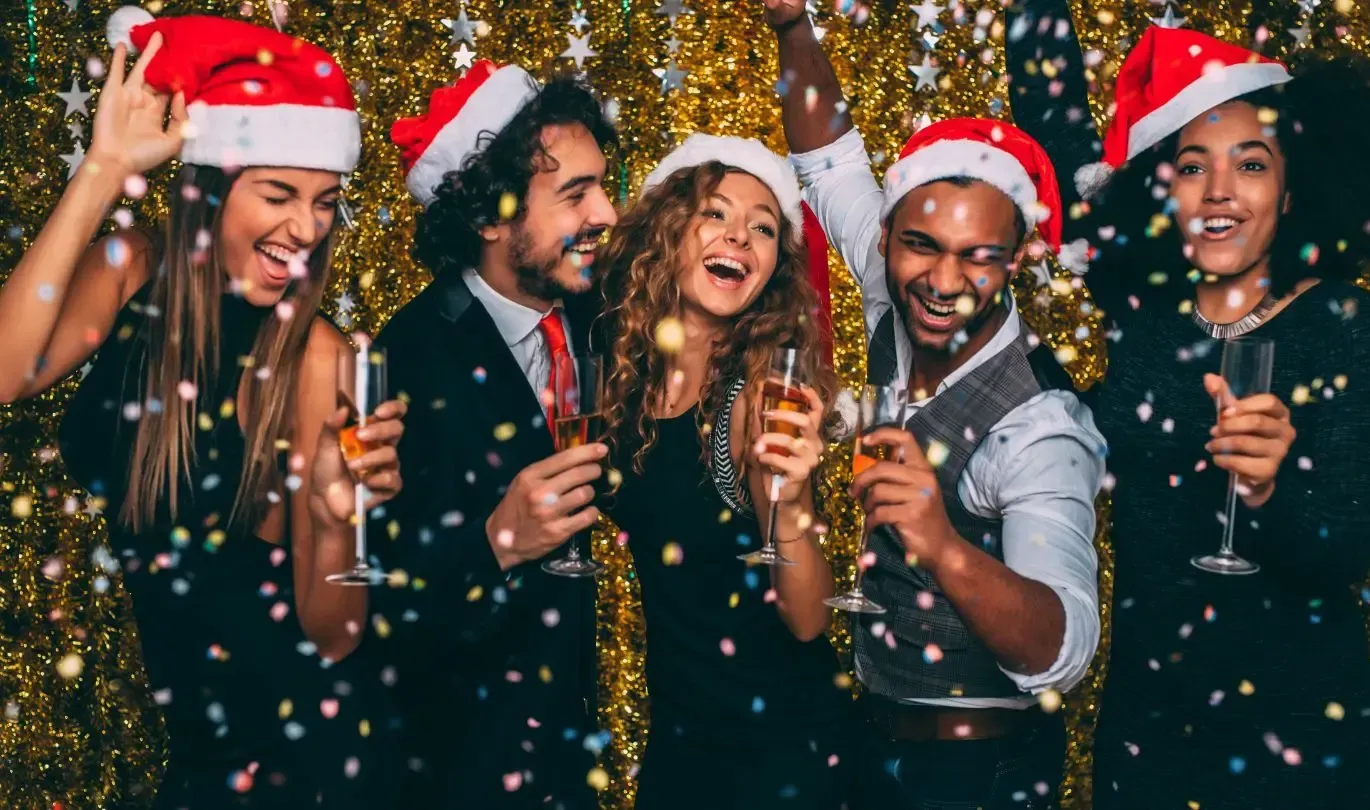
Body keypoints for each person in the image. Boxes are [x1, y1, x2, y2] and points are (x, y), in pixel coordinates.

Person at [1005, 6, 1370, 808]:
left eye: (1252, 165)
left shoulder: (1346, 327)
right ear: (1166, 189)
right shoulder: (1154, 325)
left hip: (1297, 747)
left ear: (1293, 188)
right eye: (1193, 166)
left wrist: (1270, 492)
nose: (1220, 191)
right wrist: (1003, 324)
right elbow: (1085, 433)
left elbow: (1343, 553)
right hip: (1149, 737)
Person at [0, 8, 407, 807]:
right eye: (281, 194)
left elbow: (335, 635)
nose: (306, 228)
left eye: (326, 201)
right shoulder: (129, 271)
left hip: (298, 767)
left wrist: (333, 510)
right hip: (193, 756)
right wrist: (102, 169)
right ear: (211, 188)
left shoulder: (324, 357)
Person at [762, 3, 1106, 808]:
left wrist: (941, 543)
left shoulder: (1041, 426)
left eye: (979, 257)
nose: (945, 284)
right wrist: (791, 26)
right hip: (866, 742)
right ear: (888, 236)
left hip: (977, 775)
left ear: (1016, 257)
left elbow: (1066, 649)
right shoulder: (896, 296)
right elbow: (828, 160)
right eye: (922, 246)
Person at [372, 61, 618, 809]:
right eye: (575, 193)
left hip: (570, 757)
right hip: (457, 769)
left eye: (603, 183)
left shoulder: (595, 318)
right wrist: (496, 543)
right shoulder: (408, 356)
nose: (607, 211)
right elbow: (369, 604)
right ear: (489, 216)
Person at [593, 133, 848, 810]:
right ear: (667, 233)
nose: (739, 236)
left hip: (777, 760)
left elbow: (807, 619)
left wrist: (790, 503)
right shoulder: (625, 377)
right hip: (682, 745)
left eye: (763, 228)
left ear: (773, 268)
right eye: (716, 213)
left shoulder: (758, 398)